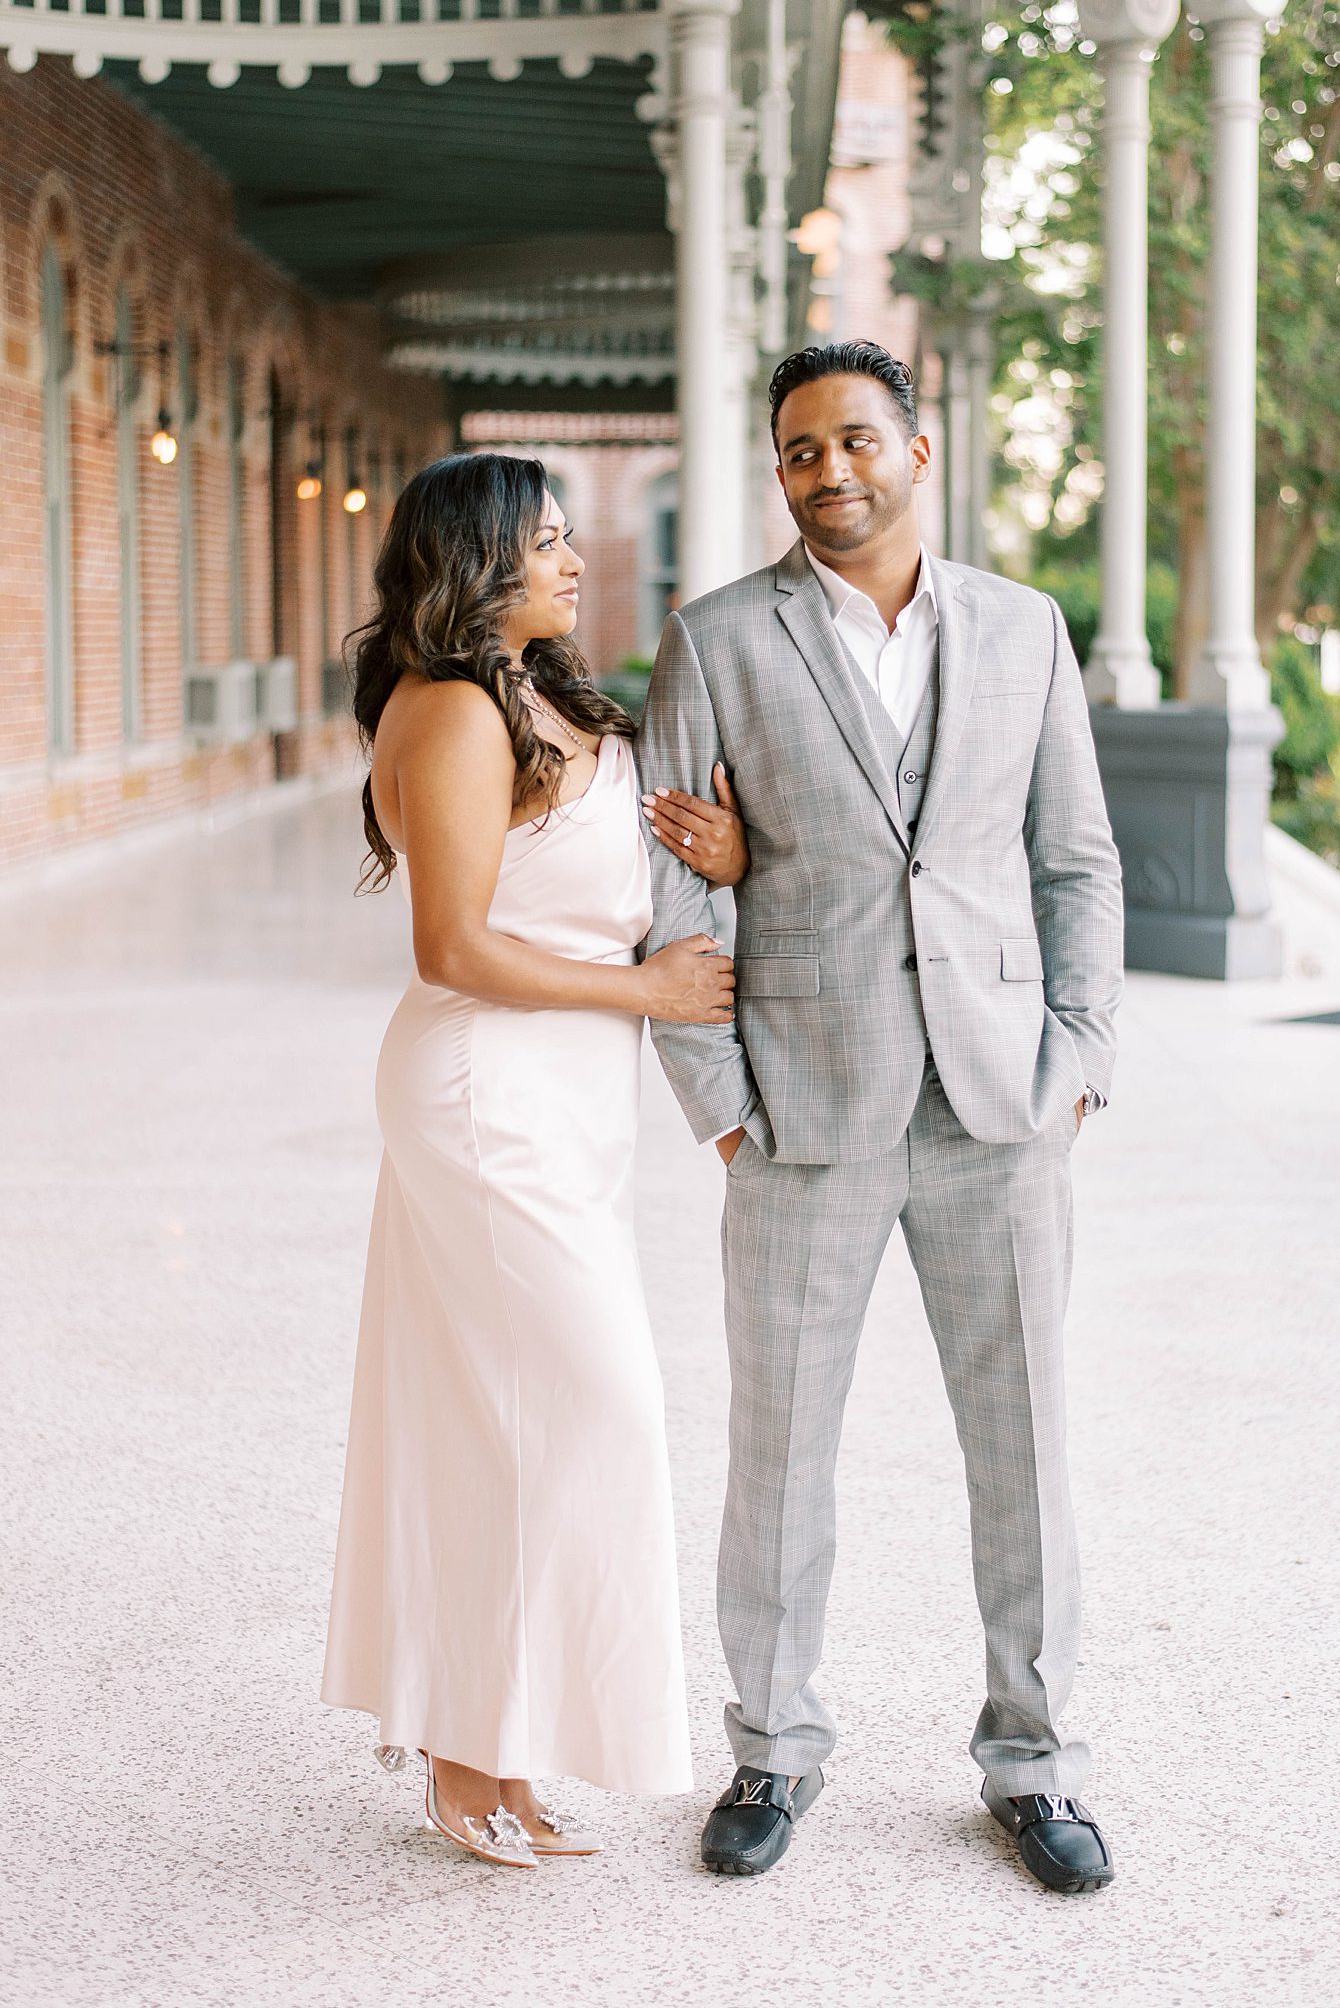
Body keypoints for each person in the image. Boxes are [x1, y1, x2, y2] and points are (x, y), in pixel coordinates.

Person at [638, 341, 1125, 1895]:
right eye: (795, 452)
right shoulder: (717, 637)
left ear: (919, 449)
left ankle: (1033, 1763)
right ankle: (773, 1749)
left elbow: (1077, 859)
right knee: (778, 1447)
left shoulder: (1026, 629)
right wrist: (722, 1106)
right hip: (803, 1106)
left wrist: (1078, 1054)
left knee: (1027, 1445)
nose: (826, 471)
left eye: (853, 440)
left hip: (997, 1107)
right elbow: (664, 882)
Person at [321, 452, 745, 1869]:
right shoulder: (447, 711)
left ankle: (492, 1745)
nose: (574, 562)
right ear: (478, 562)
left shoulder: (553, 695)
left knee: (512, 1418)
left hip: (569, 1109)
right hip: (484, 1096)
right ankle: (462, 1750)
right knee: (592, 1406)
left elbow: (608, 887)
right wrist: (655, 994)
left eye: (572, 538)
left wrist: (721, 861)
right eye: (548, 543)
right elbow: (453, 946)